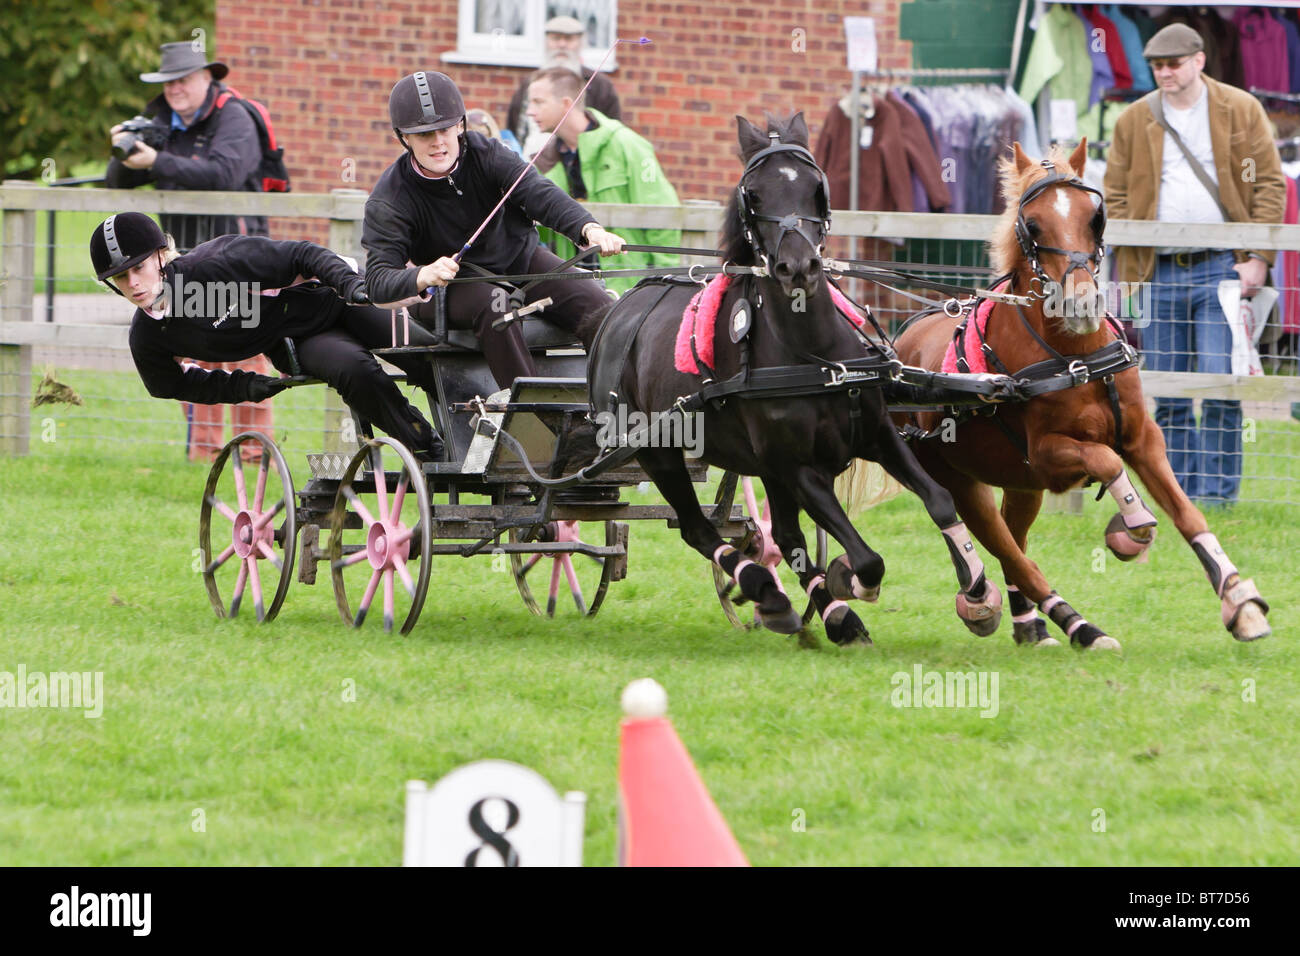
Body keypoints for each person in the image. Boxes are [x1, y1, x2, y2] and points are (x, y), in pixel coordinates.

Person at [88, 212, 446, 463]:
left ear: (160, 257)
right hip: (296, 341)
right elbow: (169, 384)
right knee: (352, 368)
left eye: (139, 268)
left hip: (339, 298)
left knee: (424, 355)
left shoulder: (214, 264)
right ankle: (430, 449)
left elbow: (303, 254)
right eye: (121, 277)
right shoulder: (148, 335)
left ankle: (479, 431)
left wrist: (351, 285)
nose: (133, 283)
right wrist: (240, 387)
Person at [1104, 23, 1285, 505]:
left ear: (1199, 61)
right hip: (1157, 270)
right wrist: (1129, 257)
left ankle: (1219, 499)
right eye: (1157, 65)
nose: (1164, 72)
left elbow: (1269, 184)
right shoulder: (1132, 120)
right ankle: (1179, 496)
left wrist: (1258, 259)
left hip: (1223, 268)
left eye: (1174, 63)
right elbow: (1114, 194)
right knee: (1169, 390)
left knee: (1221, 384)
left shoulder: (1240, 108)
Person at [361, 70, 627, 391]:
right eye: (424, 135)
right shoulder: (390, 197)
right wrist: (422, 275)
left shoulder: (487, 152)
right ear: (403, 137)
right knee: (496, 306)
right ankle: (530, 414)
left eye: (445, 129)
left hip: (520, 261)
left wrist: (589, 229)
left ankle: (619, 400)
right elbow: (377, 281)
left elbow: (539, 193)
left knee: (602, 309)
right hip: (451, 287)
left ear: (460, 124)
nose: (438, 142)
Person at [105, 40, 274, 462]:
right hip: (177, 263)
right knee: (192, 349)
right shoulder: (162, 119)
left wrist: (157, 161)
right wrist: (125, 145)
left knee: (246, 348)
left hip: (234, 259)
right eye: (168, 83)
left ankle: (255, 454)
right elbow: (118, 182)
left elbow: (224, 173)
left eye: (182, 80)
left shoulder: (235, 117)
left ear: (206, 78)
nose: (175, 90)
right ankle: (205, 455)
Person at [527, 67, 680, 297]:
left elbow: (663, 217)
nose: (530, 111)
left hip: (633, 290)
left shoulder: (626, 145)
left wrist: (667, 286)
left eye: (538, 102)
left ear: (566, 103)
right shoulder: (544, 161)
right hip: (576, 290)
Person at [504, 15, 622, 155]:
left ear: (580, 42)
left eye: (569, 39)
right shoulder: (530, 83)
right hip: (532, 162)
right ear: (546, 41)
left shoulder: (598, 85)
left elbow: (613, 130)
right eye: (556, 38)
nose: (562, 44)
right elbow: (514, 127)